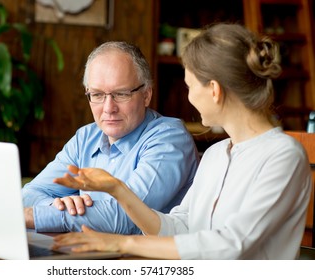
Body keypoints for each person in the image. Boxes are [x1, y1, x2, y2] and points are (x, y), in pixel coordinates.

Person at [52, 23, 312, 259]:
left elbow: (232, 244)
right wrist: (118, 190)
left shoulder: (283, 155)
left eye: (189, 87)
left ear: (214, 90)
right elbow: (180, 228)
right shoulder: (216, 154)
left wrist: (123, 244)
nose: (188, 98)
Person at [22, 41, 199, 234]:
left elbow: (127, 217)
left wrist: (36, 215)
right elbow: (29, 194)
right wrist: (60, 206)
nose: (108, 108)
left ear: (146, 95)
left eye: (121, 94)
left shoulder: (170, 139)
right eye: (97, 94)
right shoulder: (85, 138)